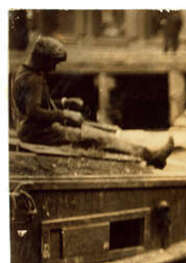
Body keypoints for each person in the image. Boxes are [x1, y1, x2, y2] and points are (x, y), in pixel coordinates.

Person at [11, 36, 174, 169]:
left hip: (33, 130)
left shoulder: (23, 72)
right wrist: (65, 114)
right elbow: (34, 111)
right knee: (102, 138)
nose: (54, 69)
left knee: (98, 130)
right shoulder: (34, 80)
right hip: (40, 133)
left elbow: (34, 104)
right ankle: (152, 157)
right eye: (53, 63)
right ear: (43, 59)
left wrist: (64, 102)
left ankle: (148, 154)